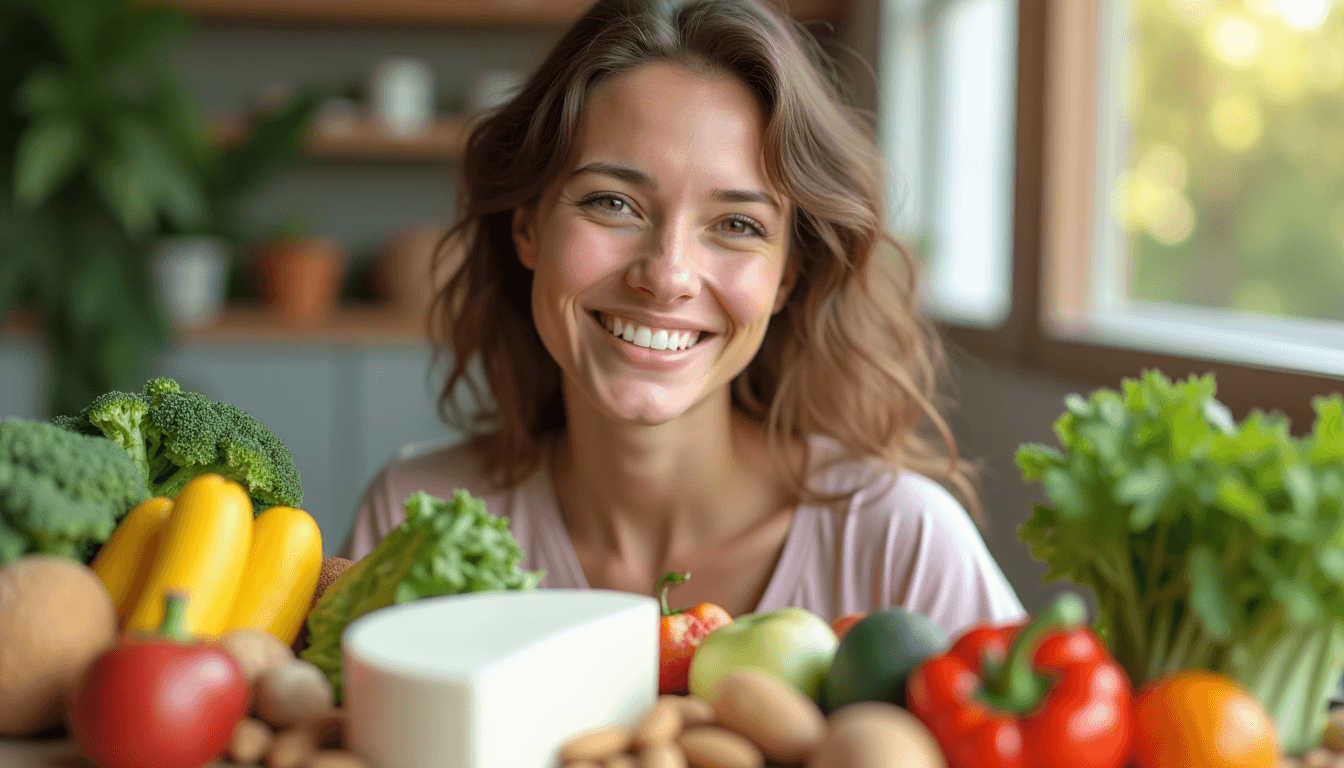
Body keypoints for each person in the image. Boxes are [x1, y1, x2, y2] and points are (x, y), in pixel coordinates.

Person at [338, 0, 1026, 639]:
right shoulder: (412, 519)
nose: (666, 275)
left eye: (735, 224)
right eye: (612, 204)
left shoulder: (900, 543)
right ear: (527, 227)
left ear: (786, 276)